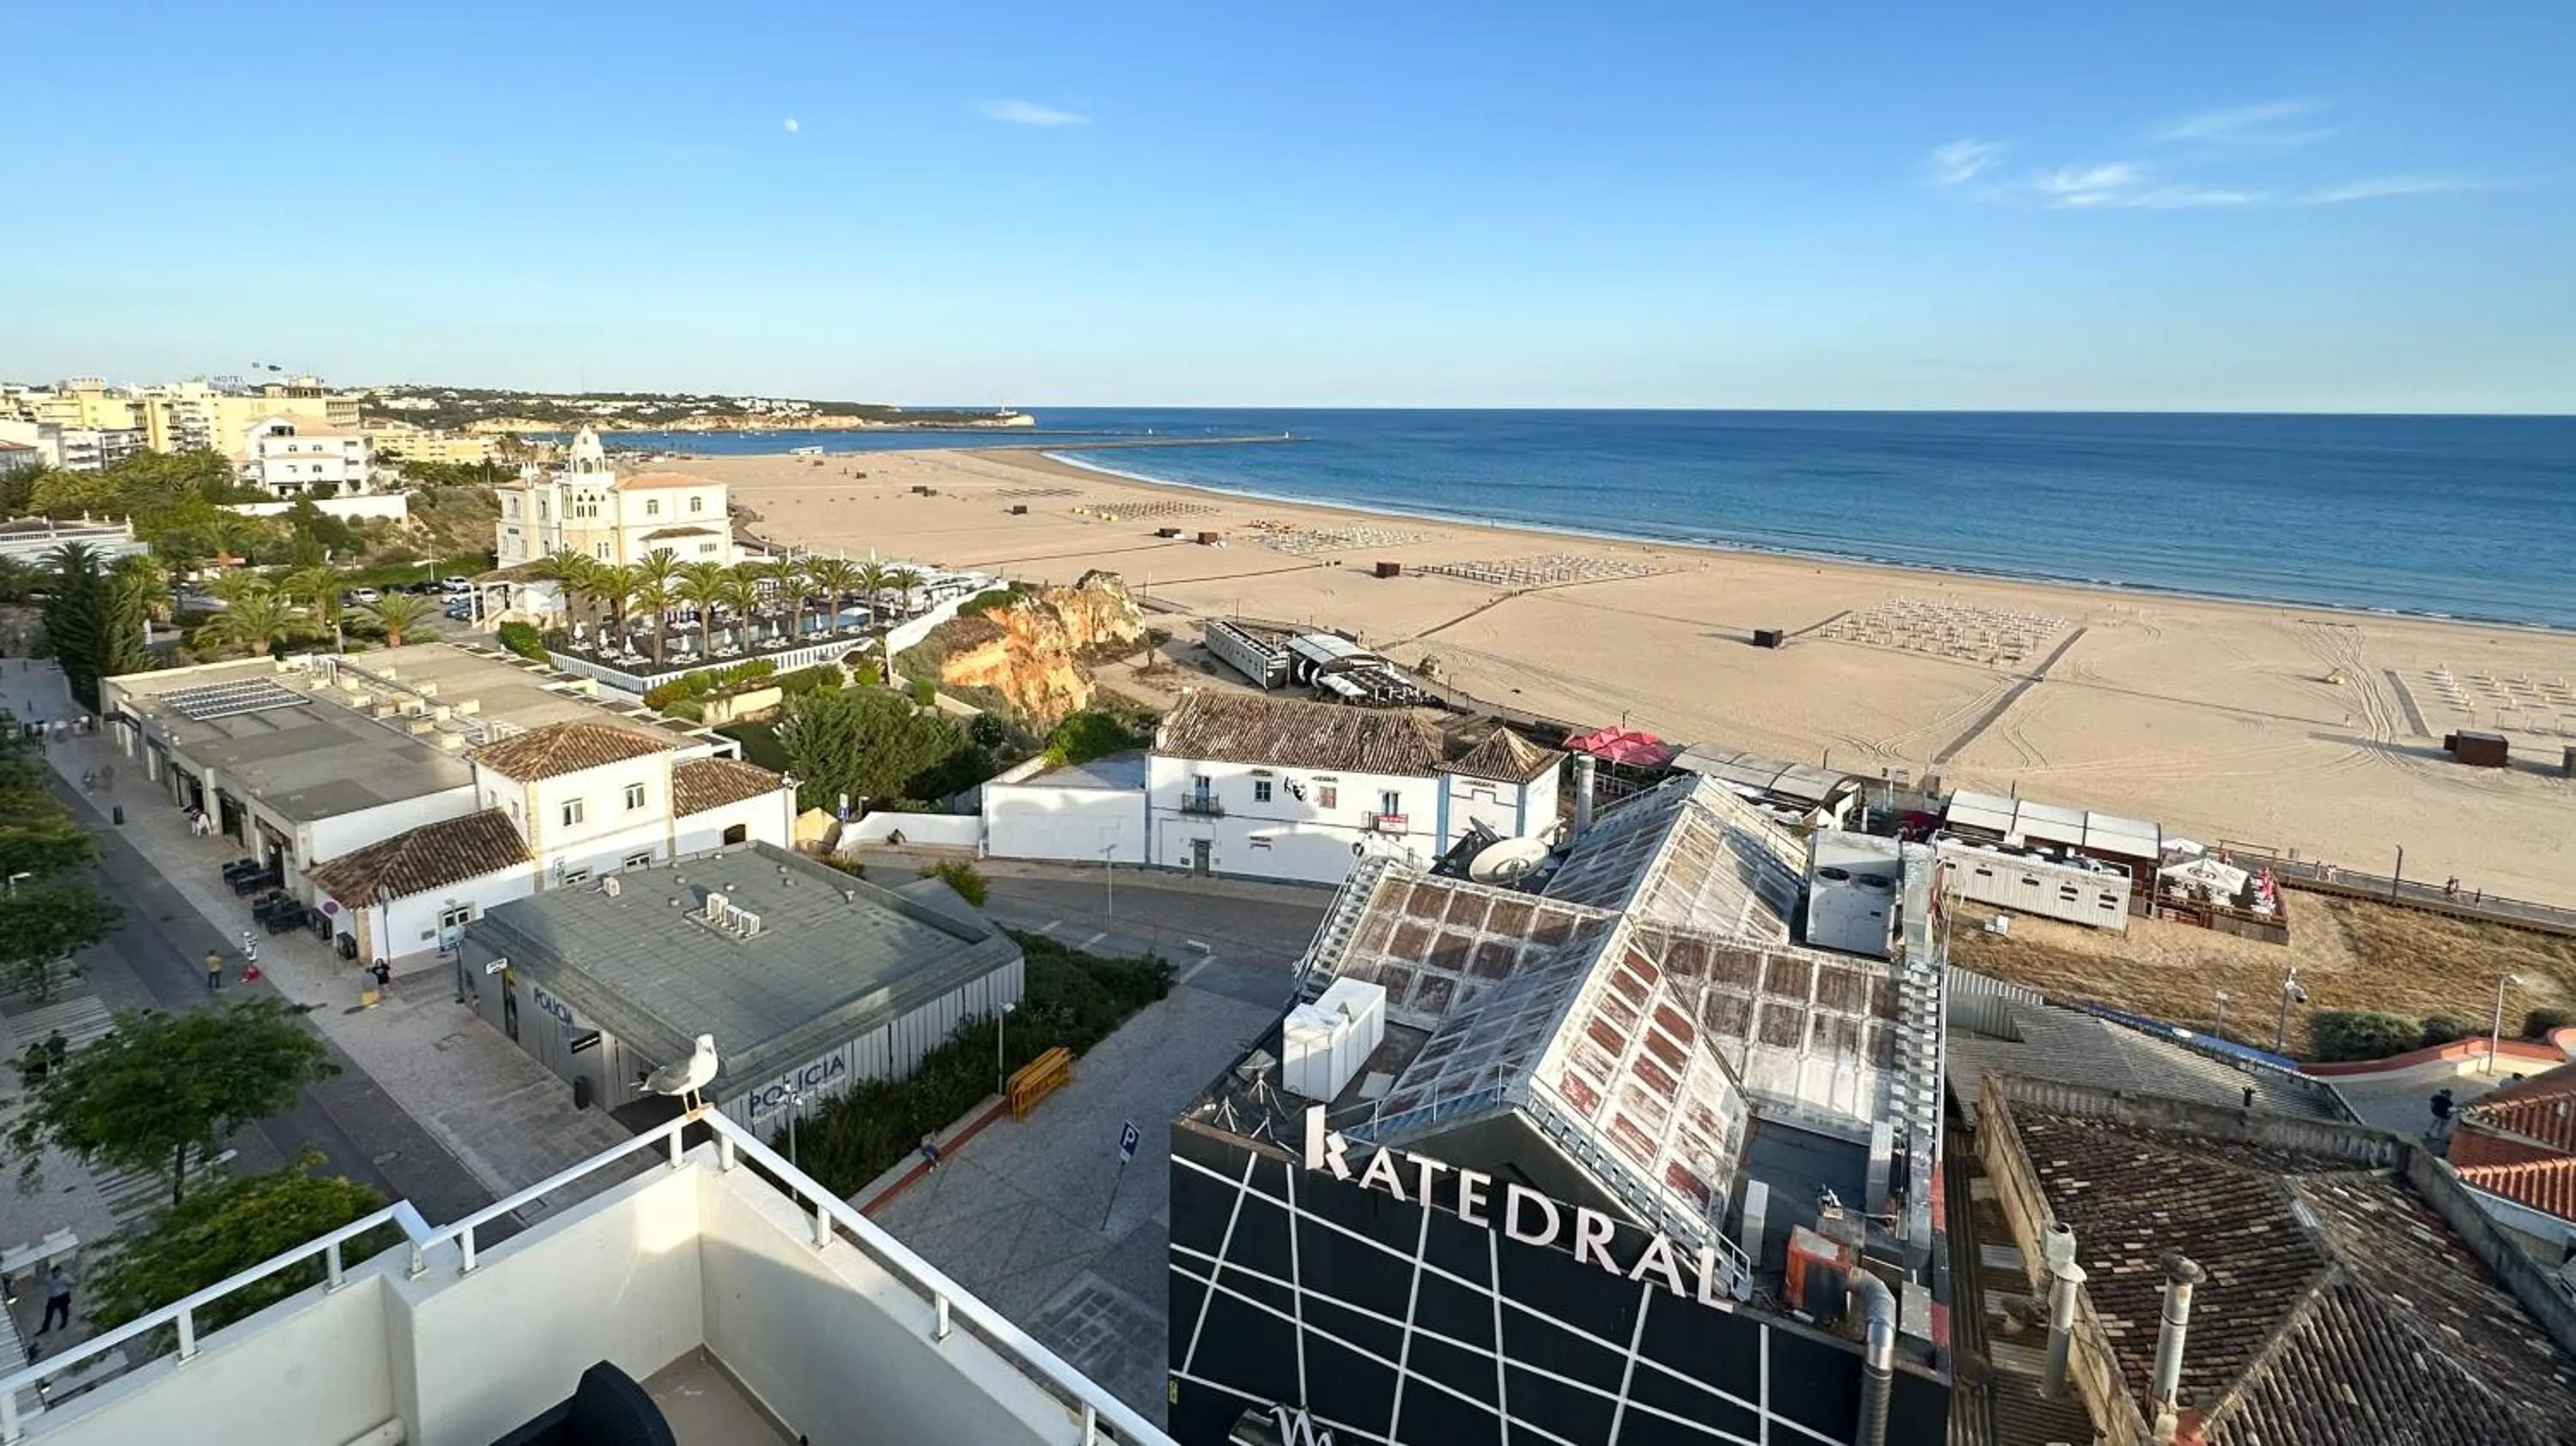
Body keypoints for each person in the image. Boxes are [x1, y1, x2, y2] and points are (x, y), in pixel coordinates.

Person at [37, 1265, 70, 1336]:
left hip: (63, 1296)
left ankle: (64, 1323)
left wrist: (66, 1287)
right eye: (56, 1272)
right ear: (53, 1272)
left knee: (64, 1311)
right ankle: (45, 1328)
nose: (58, 1274)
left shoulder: (65, 1276)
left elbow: (72, 1283)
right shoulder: (49, 1278)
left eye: (59, 1272)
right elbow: (43, 1282)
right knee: (49, 1313)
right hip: (53, 1298)